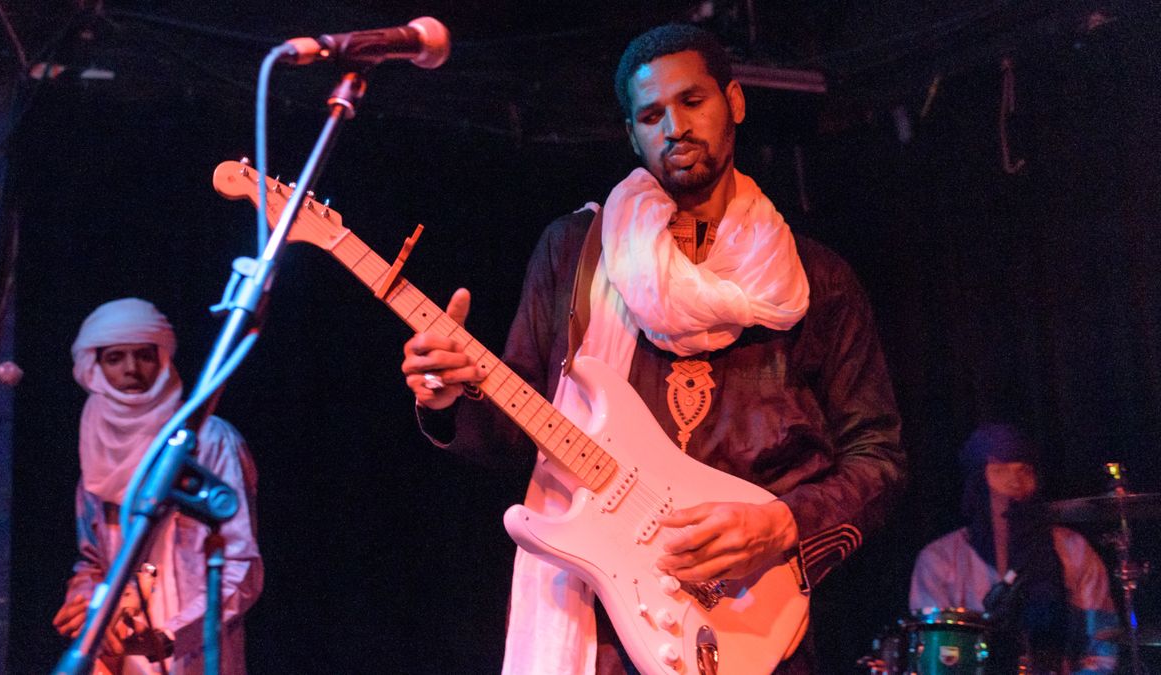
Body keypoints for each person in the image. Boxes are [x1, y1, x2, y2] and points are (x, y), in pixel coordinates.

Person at [400, 24, 904, 674]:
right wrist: (450, 398)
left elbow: (879, 459)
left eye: (692, 101)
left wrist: (780, 526)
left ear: (735, 102)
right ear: (632, 133)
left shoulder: (817, 280)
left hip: (752, 626)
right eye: (651, 114)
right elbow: (523, 434)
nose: (675, 126)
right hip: (594, 630)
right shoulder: (574, 255)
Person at [51, 298, 263, 674]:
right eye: (115, 358)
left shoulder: (208, 440)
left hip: (193, 651)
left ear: (163, 359)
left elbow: (240, 568)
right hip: (121, 653)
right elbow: (93, 562)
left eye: (144, 356)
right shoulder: (95, 448)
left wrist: (172, 635)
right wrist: (85, 603)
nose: (131, 369)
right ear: (95, 368)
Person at [909, 424, 1117, 673]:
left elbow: (1103, 648)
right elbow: (936, 657)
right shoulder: (939, 560)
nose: (1015, 483)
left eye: (1024, 471)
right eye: (999, 471)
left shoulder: (1074, 551)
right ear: (976, 483)